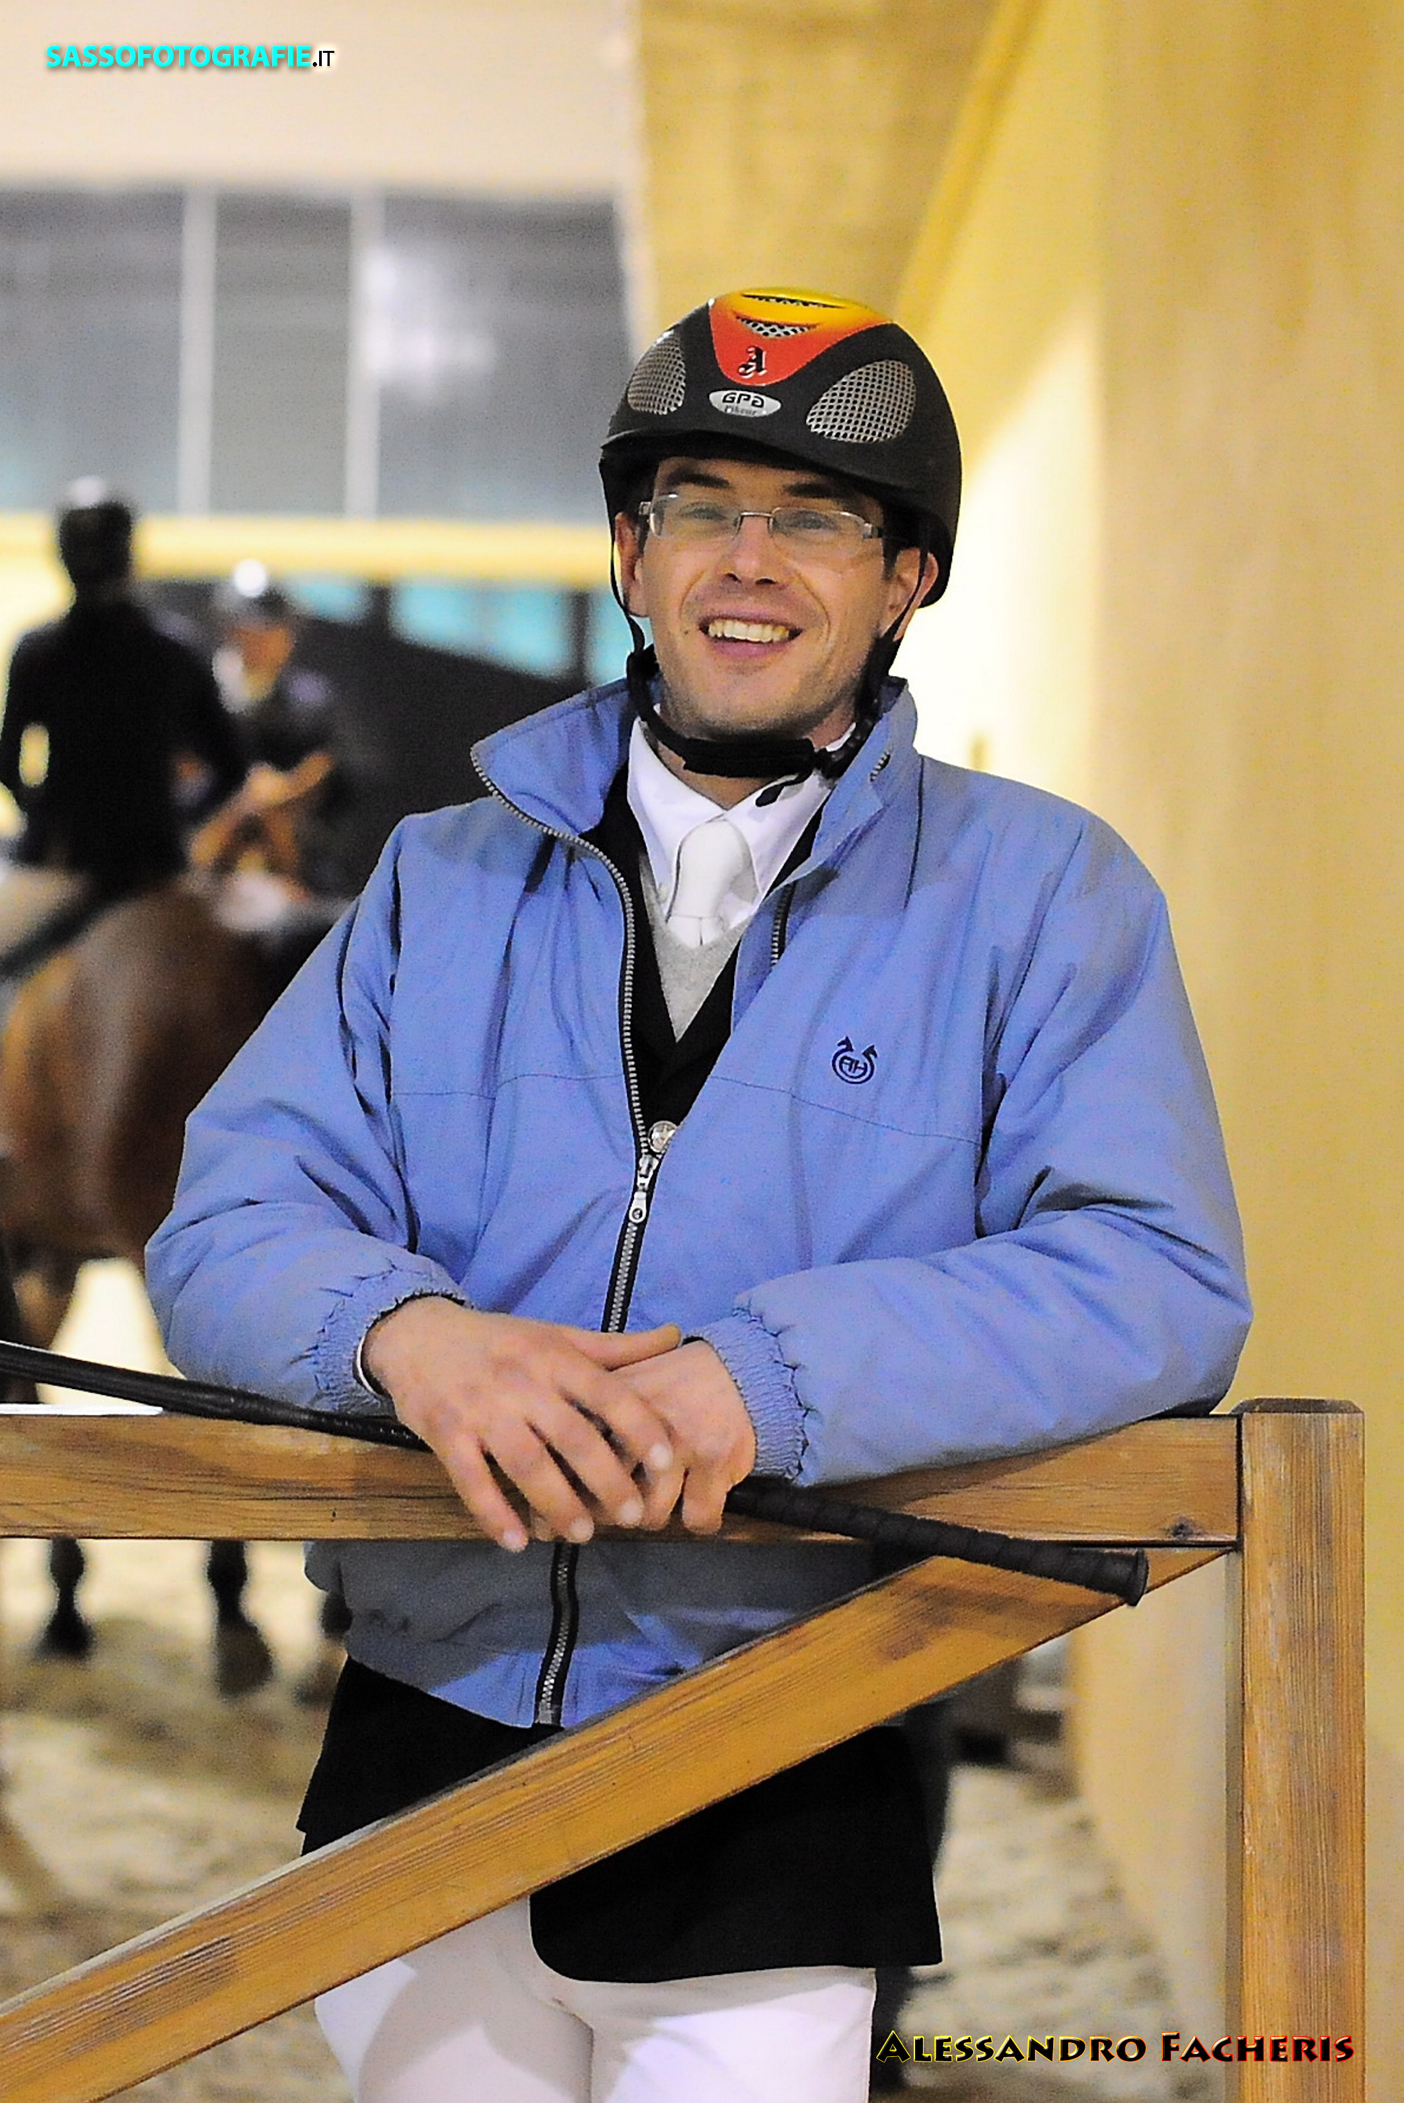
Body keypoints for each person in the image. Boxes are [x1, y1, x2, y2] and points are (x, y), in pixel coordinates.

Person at [147, 286, 1251, 2103]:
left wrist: (766, 1373)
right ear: (629, 553)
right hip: (418, 1725)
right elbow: (223, 1224)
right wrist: (404, 1333)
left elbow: (1153, 1275)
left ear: (904, 578)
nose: (749, 558)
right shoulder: (431, 879)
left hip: (786, 1738)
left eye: (814, 516)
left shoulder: (1049, 892)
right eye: (700, 507)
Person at [0, 482, 246, 966]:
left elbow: (7, 763)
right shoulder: (176, 652)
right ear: (130, 555)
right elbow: (231, 767)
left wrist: (45, 815)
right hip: (157, 864)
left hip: (62, 861)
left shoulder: (39, 652)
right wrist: (175, 816)